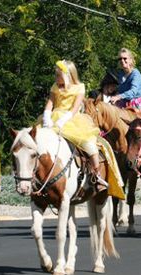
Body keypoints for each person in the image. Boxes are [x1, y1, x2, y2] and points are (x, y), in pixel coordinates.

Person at [42, 60, 108, 190]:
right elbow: (50, 102)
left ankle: (97, 174)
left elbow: (75, 108)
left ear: (68, 75)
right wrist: (46, 116)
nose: (56, 78)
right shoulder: (55, 87)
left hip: (72, 119)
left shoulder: (79, 88)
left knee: (89, 144)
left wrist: (63, 120)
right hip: (54, 118)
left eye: (58, 75)